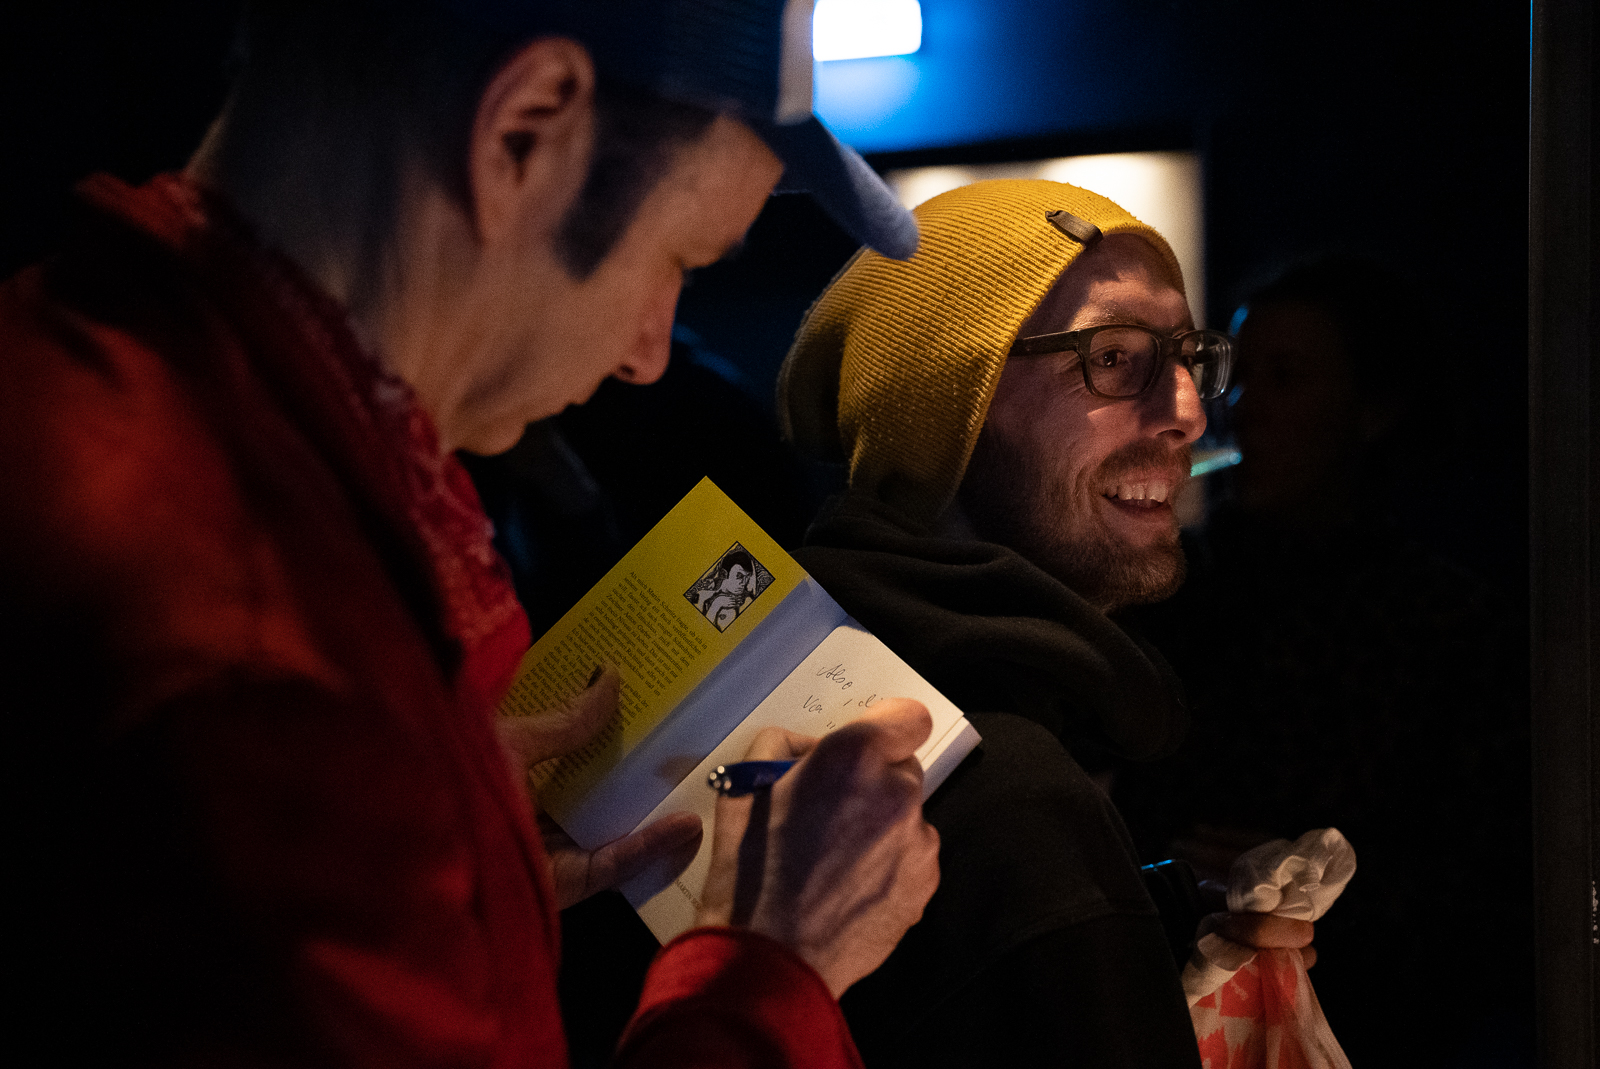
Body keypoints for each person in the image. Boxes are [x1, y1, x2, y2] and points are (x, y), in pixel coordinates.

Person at [1, 2, 942, 1066]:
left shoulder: (73, 365)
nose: (647, 355)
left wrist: (458, 842)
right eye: (680, 257)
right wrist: (769, 972)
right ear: (523, 132)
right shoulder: (270, 678)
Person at [777, 179, 1310, 1068]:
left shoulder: (808, 676)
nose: (1188, 412)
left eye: (1188, 358)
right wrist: (1077, 916)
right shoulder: (1010, 793)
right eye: (1113, 357)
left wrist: (1137, 930)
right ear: (950, 405)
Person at [1114, 257, 1534, 1066]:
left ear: (1372, 410)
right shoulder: (1168, 594)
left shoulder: (1447, 623)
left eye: (1287, 377)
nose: (1242, 407)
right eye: (1238, 377)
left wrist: (1314, 890)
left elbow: (1494, 894)